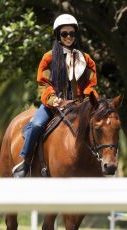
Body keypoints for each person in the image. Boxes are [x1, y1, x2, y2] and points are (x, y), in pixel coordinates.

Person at [12, 14, 99, 177]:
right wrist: (53, 99)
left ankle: (103, 160)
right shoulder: (48, 58)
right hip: (53, 105)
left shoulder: (86, 60)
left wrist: (87, 99)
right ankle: (26, 163)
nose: (68, 37)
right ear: (58, 35)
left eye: (71, 34)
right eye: (64, 34)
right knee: (37, 125)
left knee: (103, 125)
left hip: (79, 106)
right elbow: (43, 83)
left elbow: (91, 84)